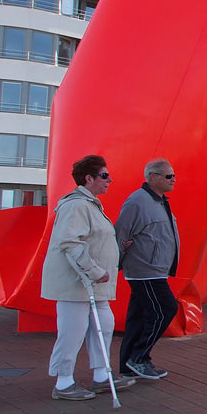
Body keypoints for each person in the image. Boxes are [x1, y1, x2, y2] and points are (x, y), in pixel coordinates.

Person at [42, 155, 137, 400]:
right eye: (104, 176)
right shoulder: (76, 205)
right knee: (72, 332)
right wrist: (95, 271)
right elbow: (70, 242)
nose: (109, 180)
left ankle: (101, 376)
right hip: (77, 284)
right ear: (89, 178)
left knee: (103, 326)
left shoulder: (90, 204)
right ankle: (63, 383)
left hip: (94, 285)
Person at [115, 158, 180, 381]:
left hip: (154, 269)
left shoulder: (159, 201)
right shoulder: (137, 202)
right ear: (153, 177)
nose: (173, 180)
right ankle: (139, 358)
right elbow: (121, 233)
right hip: (145, 270)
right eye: (168, 176)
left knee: (139, 316)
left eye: (173, 175)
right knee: (165, 309)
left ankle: (128, 365)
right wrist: (119, 261)